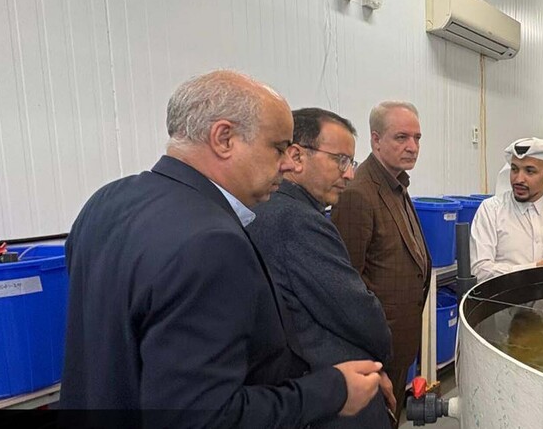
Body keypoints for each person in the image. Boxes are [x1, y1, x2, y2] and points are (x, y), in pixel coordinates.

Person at [62, 70, 382, 429]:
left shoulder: (106, 202)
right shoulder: (212, 241)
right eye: (278, 148)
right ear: (224, 138)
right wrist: (332, 391)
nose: (288, 163)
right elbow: (203, 417)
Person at [246, 108, 394, 429]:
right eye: (340, 160)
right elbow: (356, 311)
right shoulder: (297, 221)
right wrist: (380, 362)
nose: (349, 174)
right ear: (296, 157)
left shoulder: (262, 209)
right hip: (332, 391)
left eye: (351, 163)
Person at [331, 101, 431, 425]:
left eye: (417, 138)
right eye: (401, 137)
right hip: (373, 351)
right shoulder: (358, 194)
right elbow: (345, 287)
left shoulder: (396, 184)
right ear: (376, 140)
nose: (412, 146)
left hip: (396, 344)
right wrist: (368, 359)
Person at [470, 137, 543, 282]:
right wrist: (536, 269)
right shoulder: (491, 210)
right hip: (504, 297)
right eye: (514, 169)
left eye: (529, 171)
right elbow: (480, 271)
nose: (518, 179)